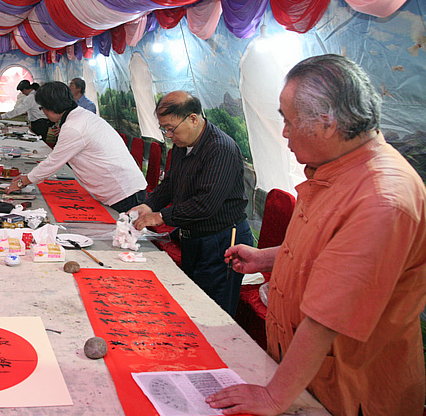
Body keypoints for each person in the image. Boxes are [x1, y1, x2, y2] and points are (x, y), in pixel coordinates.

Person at [207, 55, 426, 416]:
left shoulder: (382, 199)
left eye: (289, 121)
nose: (284, 133)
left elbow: (327, 320)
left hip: (348, 390)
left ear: (326, 123)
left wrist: (273, 396)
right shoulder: (339, 169)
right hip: (306, 376)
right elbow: (331, 252)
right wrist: (270, 257)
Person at [131, 91, 252, 317]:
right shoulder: (181, 144)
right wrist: (148, 205)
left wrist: (160, 217)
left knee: (213, 310)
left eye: (171, 128)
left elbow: (205, 204)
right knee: (191, 301)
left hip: (221, 241)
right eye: (163, 129)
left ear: (193, 119)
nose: (168, 135)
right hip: (192, 235)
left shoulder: (221, 149)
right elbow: (170, 182)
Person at [5, 82, 146, 212]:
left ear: (52, 107)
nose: (43, 112)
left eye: (43, 108)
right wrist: (28, 177)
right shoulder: (81, 117)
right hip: (124, 187)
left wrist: (22, 182)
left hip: (125, 193)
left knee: (125, 235)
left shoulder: (74, 126)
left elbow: (53, 162)